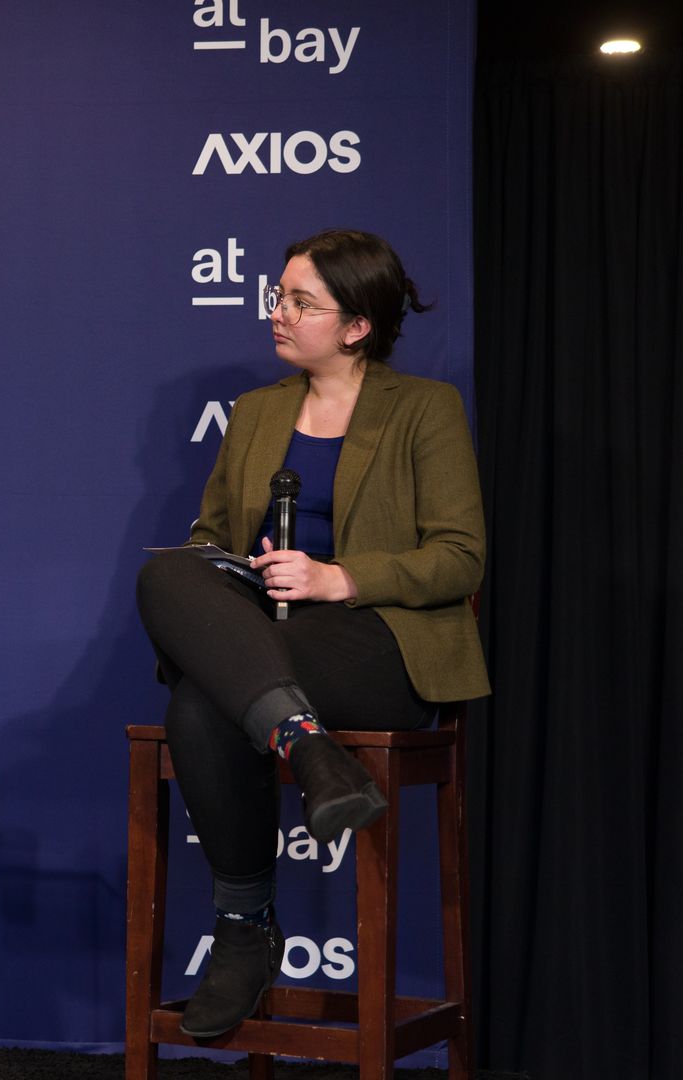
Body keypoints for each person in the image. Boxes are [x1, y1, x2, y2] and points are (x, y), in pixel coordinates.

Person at [134, 229, 488, 1039]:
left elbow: (460, 558)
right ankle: (311, 754)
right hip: (270, 639)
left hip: (378, 644)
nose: (278, 313)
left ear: (357, 325)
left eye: (301, 301)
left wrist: (341, 577)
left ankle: (243, 927)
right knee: (167, 575)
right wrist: (237, 572)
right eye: (278, 295)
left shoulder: (425, 409)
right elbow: (208, 539)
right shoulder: (258, 413)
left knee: (202, 700)